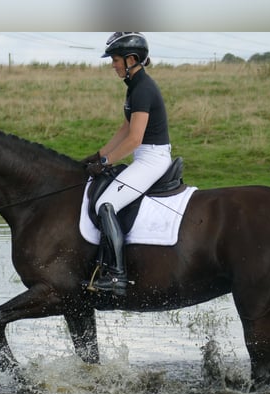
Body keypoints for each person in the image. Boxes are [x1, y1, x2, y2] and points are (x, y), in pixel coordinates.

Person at [82, 32, 172, 295]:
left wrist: (107, 161)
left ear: (132, 59)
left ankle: (116, 276)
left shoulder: (143, 89)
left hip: (152, 158)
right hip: (144, 156)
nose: (113, 64)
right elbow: (125, 129)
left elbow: (134, 139)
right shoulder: (135, 87)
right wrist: (99, 155)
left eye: (116, 59)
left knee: (105, 204)